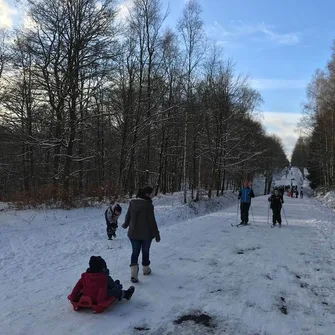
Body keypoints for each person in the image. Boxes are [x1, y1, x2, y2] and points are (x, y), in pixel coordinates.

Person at [122, 186, 161, 283]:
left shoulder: (132, 202)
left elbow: (128, 216)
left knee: (135, 251)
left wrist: (125, 224)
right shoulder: (148, 205)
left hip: (133, 233)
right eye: (151, 193)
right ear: (147, 194)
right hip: (146, 234)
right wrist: (156, 234)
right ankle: (146, 269)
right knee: (145, 251)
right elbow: (152, 221)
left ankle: (134, 275)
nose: (152, 195)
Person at [68, 256, 135, 303]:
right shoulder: (104, 278)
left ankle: (116, 285)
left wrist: (73, 295)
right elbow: (112, 287)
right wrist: (116, 287)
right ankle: (126, 294)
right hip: (98, 298)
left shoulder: (85, 276)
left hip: (86, 294)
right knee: (112, 291)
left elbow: (77, 287)